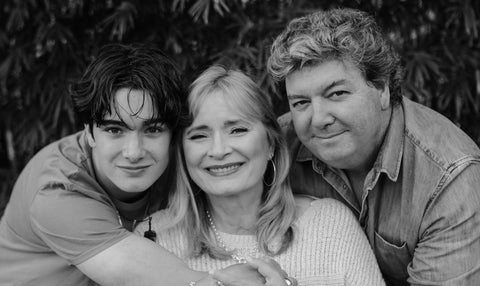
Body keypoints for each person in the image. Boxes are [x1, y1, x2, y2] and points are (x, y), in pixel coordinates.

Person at [0, 44, 264, 286]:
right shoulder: (57, 190)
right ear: (89, 133)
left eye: (153, 130)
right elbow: (137, 272)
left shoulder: (180, 156)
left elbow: (271, 142)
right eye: (115, 130)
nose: (134, 152)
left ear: (173, 133)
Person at [267, 7, 480, 286]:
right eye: (300, 103)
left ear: (381, 89)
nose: (318, 119)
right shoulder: (276, 149)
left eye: (337, 94)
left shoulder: (450, 178)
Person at [135, 65, 386, 286]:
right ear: (182, 152)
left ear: (270, 144)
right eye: (199, 135)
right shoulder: (153, 238)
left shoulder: (329, 226)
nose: (219, 150)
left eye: (237, 129)